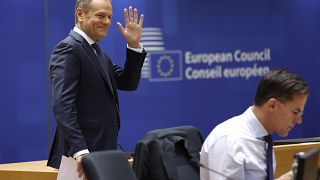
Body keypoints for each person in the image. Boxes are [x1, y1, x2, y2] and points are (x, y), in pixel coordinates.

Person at [47, 0, 147, 175]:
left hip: (101, 154)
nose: (107, 22)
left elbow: (128, 82)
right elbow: (63, 106)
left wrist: (133, 46)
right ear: (80, 14)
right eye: (100, 15)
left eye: (109, 17)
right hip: (78, 160)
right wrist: (81, 152)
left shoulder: (98, 53)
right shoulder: (68, 49)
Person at [200, 69, 309, 180]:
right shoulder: (229, 140)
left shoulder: (263, 137)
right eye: (295, 112)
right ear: (272, 106)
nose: (298, 120)